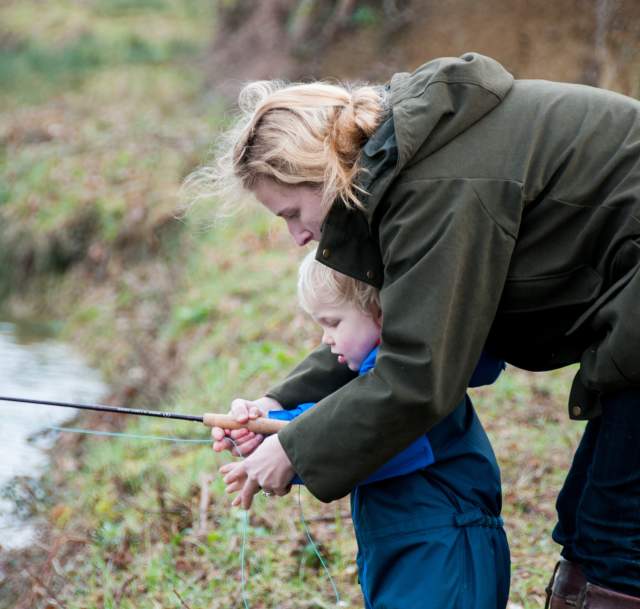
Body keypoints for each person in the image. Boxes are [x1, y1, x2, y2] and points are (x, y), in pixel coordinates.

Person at [190, 52, 640, 608]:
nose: (297, 236)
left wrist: (295, 451)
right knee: (588, 520)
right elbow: (390, 331)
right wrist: (276, 404)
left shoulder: (436, 186)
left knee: (616, 537)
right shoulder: (403, 169)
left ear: (322, 173)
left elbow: (418, 373)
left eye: (290, 213)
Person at [220, 249, 510, 609]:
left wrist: (284, 445)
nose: (326, 339)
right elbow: (336, 418)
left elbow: (356, 438)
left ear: (382, 313)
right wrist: (264, 430)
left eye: (333, 323)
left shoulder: (409, 395)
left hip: (447, 552)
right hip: (408, 551)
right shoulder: (378, 389)